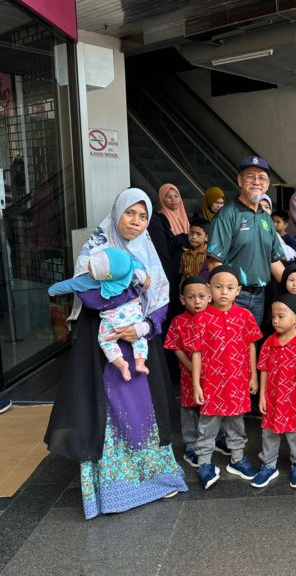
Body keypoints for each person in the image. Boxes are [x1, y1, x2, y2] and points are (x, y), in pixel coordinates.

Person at [45, 188, 187, 519]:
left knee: (144, 412)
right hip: (104, 349)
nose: (136, 222)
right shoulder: (95, 251)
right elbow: (86, 294)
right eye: (129, 214)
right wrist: (122, 302)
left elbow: (162, 300)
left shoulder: (148, 253)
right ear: (116, 214)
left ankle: (156, 481)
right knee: (108, 415)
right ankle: (111, 493)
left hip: (138, 348)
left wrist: (144, 328)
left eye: (143, 216)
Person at [189, 265, 263, 489]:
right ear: (209, 289)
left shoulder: (245, 316)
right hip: (211, 382)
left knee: (236, 421)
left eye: (230, 288)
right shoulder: (201, 319)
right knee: (208, 424)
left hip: (237, 380)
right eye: (218, 287)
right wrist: (196, 385)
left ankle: (237, 459)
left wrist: (254, 377)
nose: (224, 292)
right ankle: (204, 463)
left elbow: (251, 346)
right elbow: (196, 353)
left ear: (238, 291)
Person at [48, 246, 150, 382]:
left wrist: (52, 290)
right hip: (133, 313)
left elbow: (70, 285)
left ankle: (121, 364)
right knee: (140, 337)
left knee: (106, 340)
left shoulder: (91, 280)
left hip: (112, 318)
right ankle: (140, 362)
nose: (89, 268)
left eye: (92, 269)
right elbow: (142, 275)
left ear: (105, 276)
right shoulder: (134, 270)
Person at [207, 156, 286, 325]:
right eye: (250, 176)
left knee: (252, 347)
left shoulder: (266, 219)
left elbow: (274, 261)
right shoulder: (227, 215)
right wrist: (225, 297)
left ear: (267, 184)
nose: (257, 181)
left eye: (262, 177)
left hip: (260, 296)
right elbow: (215, 263)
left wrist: (294, 287)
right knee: (230, 347)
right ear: (239, 180)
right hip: (233, 297)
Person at [253, 294, 296, 489]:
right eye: (273, 316)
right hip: (273, 397)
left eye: (281, 316)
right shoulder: (269, 342)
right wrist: (261, 396)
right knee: (268, 433)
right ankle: (268, 464)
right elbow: (264, 369)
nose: (275, 321)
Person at [164, 277, 212, 468]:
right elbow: (174, 346)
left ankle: (216, 439)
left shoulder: (213, 318)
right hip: (188, 374)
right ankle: (191, 445)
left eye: (201, 296)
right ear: (183, 299)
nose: (197, 301)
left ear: (209, 296)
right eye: (191, 297)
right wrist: (190, 366)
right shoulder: (178, 321)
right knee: (190, 409)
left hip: (213, 374)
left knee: (214, 408)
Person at [150, 183, 190, 321]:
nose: (173, 200)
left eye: (176, 196)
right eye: (168, 197)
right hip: (172, 270)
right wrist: (182, 240)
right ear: (162, 199)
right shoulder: (160, 220)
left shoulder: (187, 218)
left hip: (188, 269)